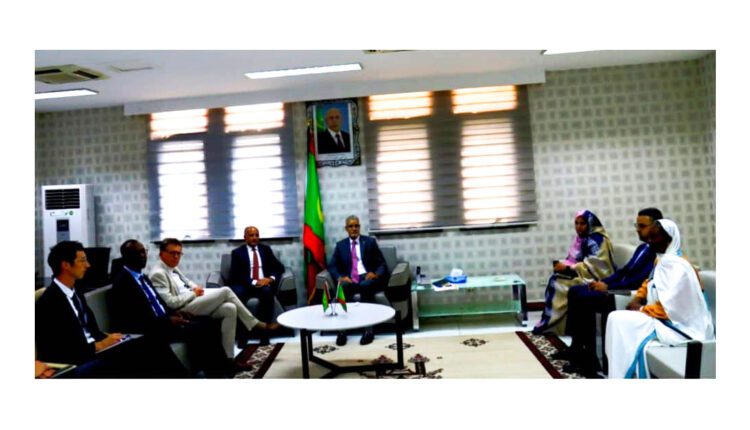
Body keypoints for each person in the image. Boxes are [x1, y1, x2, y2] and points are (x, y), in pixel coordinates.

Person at [35, 240, 185, 378]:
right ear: (66, 265)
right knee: (134, 356)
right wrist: (99, 345)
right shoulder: (48, 302)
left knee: (152, 343)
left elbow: (91, 330)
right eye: (83, 260)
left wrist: (112, 338)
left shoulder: (76, 293)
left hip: (95, 350)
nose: (88, 265)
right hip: (79, 360)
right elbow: (58, 349)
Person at [555, 208, 663, 377]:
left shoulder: (657, 253)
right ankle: (576, 347)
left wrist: (608, 288)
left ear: (657, 227)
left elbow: (638, 280)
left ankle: (589, 360)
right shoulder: (643, 247)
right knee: (575, 291)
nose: (637, 229)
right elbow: (624, 271)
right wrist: (604, 282)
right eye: (637, 225)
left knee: (584, 298)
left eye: (642, 226)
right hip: (615, 287)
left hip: (625, 293)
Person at [605, 219, 714, 378]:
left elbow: (672, 310)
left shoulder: (678, 267)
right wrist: (638, 299)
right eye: (649, 237)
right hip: (659, 318)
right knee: (615, 319)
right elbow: (649, 282)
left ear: (669, 239)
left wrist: (642, 309)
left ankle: (622, 375)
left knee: (618, 320)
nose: (650, 241)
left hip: (681, 326)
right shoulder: (661, 260)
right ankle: (618, 374)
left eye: (654, 237)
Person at [110, 239, 233, 377]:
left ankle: (221, 369)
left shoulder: (142, 277)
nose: (143, 255)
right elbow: (136, 318)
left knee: (208, 322)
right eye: (138, 253)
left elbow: (159, 303)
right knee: (199, 328)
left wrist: (176, 313)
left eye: (144, 251)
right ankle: (217, 373)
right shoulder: (123, 282)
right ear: (126, 256)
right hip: (153, 328)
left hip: (164, 321)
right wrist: (168, 320)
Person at [149, 238, 278, 361]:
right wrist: (193, 293)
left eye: (179, 253)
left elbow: (187, 281)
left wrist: (195, 288)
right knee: (226, 290)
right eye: (172, 253)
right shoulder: (158, 273)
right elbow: (171, 303)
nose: (176, 257)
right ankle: (255, 324)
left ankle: (228, 359)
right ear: (161, 254)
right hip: (184, 308)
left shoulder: (172, 267)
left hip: (193, 298)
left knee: (230, 308)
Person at [533, 209, 615, 335]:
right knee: (555, 278)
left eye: (582, 223)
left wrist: (567, 269)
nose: (578, 227)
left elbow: (597, 268)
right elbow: (574, 260)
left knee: (557, 283)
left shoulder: (597, 240)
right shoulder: (581, 239)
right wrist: (564, 266)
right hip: (582, 274)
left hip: (596, 279)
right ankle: (555, 324)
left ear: (590, 224)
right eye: (576, 223)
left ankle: (556, 326)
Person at [328, 215, 389, 346]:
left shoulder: (370, 242)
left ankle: (368, 330)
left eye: (356, 226)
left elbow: (382, 264)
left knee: (366, 286)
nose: (354, 228)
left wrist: (375, 274)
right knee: (342, 287)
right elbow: (332, 266)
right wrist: (340, 277)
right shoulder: (340, 245)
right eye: (351, 226)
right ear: (346, 228)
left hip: (366, 277)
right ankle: (342, 331)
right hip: (350, 278)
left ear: (359, 227)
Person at [229, 226, 286, 332]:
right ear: (245, 237)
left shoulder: (265, 250)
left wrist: (270, 279)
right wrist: (254, 282)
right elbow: (236, 274)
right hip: (245, 285)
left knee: (267, 292)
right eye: (251, 235)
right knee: (238, 294)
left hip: (263, 284)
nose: (254, 238)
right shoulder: (237, 253)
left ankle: (264, 331)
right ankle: (242, 333)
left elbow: (279, 268)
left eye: (257, 235)